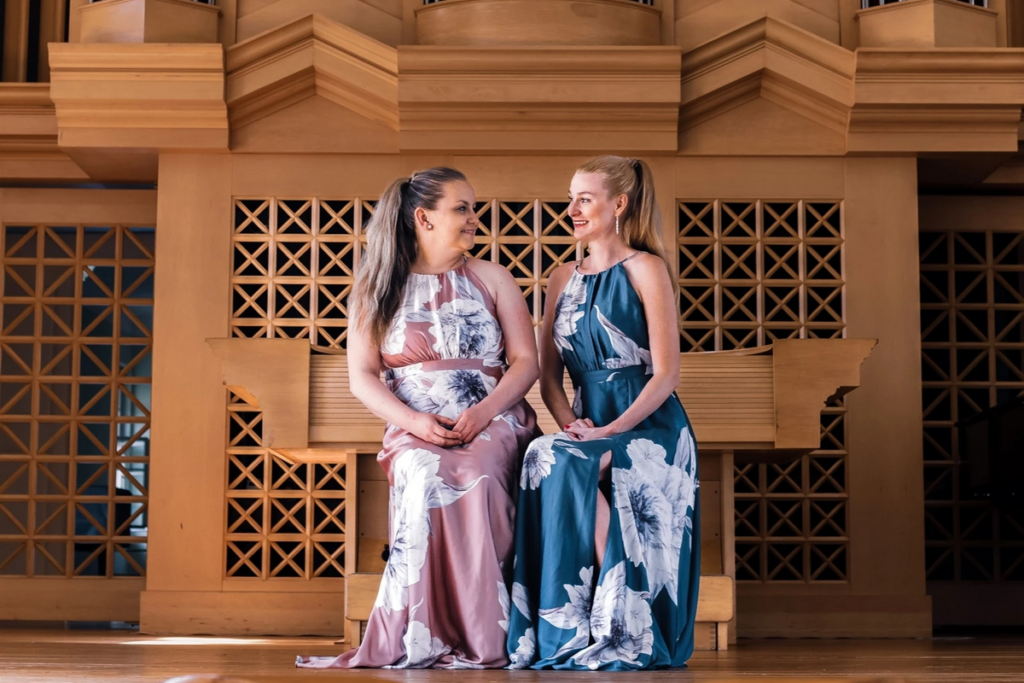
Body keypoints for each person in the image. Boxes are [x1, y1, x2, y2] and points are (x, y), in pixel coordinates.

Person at [297, 167, 540, 669]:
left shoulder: (494, 278)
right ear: (424, 219)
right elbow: (363, 377)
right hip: (415, 425)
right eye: (462, 208)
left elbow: (526, 362)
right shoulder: (375, 289)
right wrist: (414, 422)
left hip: (493, 416)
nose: (474, 218)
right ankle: (426, 631)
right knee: (423, 472)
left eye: (473, 208)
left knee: (478, 472)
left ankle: (487, 631)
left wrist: (485, 411)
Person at [506, 156, 700, 670]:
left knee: (569, 459)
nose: (571, 209)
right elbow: (549, 377)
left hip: (651, 426)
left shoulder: (646, 268)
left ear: (619, 205)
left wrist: (611, 430)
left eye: (584, 199)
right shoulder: (559, 278)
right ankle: (574, 626)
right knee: (546, 453)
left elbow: (667, 374)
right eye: (570, 198)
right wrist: (573, 425)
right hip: (587, 422)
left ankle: (625, 622)